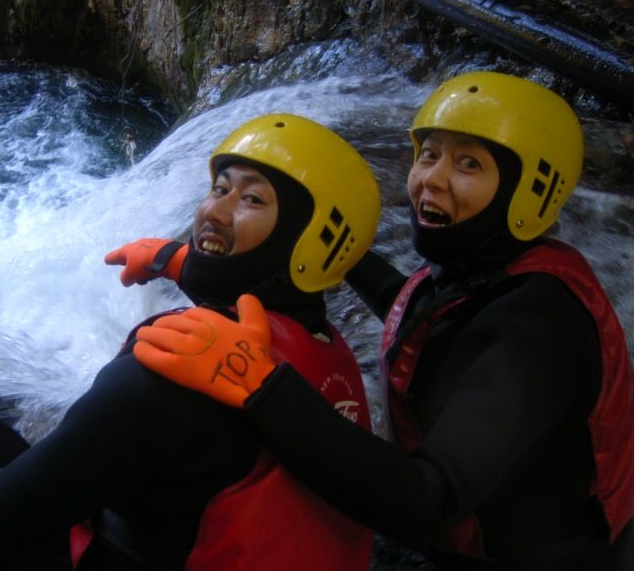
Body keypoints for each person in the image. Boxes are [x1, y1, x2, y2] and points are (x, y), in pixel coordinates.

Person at [128, 72, 634, 570]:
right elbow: (416, 317)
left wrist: (261, 385)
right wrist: (192, 262)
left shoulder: (538, 329)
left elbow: (427, 503)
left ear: (533, 190)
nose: (430, 178)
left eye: (469, 164)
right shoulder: (484, 269)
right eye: (429, 154)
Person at [0, 114, 382, 570]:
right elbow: (252, 284)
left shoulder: (167, 375)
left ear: (305, 237)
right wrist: (172, 258)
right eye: (219, 188)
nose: (213, 211)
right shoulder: (319, 343)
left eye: (251, 199)